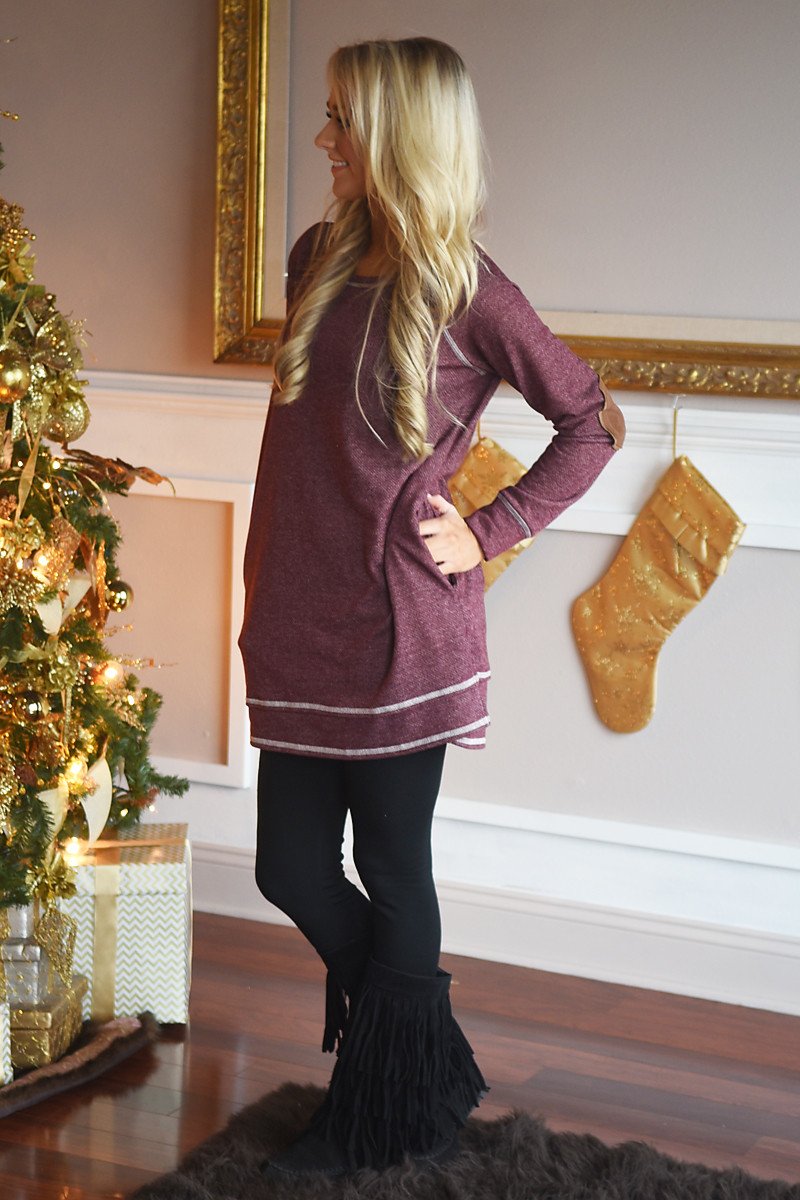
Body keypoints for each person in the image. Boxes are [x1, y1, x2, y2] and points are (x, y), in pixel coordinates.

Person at [239, 36, 625, 1179]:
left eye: (342, 120)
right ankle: (421, 1061)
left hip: (403, 632)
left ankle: (372, 1111)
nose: (323, 139)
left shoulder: (470, 292)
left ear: (399, 138)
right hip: (297, 617)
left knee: (392, 868)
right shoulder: (314, 257)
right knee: (287, 867)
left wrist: (487, 529)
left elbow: (591, 424)